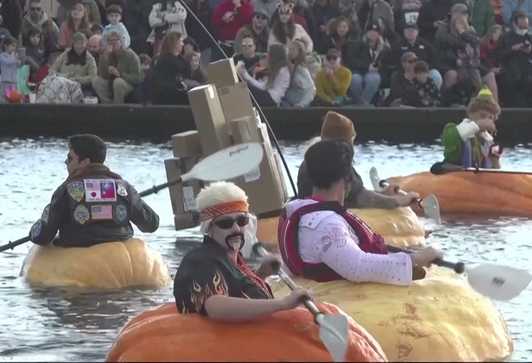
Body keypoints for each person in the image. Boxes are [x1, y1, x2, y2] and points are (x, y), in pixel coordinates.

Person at [279, 138, 443, 284]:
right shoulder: (326, 225)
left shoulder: (295, 210)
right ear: (347, 178)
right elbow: (357, 266)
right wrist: (416, 258)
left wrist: (412, 254)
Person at [174, 181, 310, 318]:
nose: (236, 229)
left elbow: (234, 289)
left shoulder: (227, 257)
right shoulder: (201, 261)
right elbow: (216, 306)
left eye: (241, 221)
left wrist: (260, 274)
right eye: (225, 223)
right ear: (209, 228)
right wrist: (283, 304)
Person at [29, 134, 159, 248]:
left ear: (85, 162)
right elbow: (151, 223)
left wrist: (34, 231)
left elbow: (43, 236)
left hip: (78, 257)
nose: (66, 163)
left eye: (70, 159)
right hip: (119, 255)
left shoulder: (66, 189)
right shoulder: (124, 188)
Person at [297, 111, 419, 209]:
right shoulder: (337, 164)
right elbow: (360, 197)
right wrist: (398, 202)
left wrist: (383, 193)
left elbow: (352, 194)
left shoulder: (310, 160)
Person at [433, 86, 501, 172]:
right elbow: (448, 140)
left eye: (490, 118)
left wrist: (494, 161)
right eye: (482, 116)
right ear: (471, 114)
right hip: (452, 178)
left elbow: (494, 172)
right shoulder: (453, 128)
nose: (487, 120)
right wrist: (477, 125)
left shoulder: (487, 141)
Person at [92, 31, 142, 104]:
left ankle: (118, 107)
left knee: (118, 82)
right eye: (109, 40)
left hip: (128, 85)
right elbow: (102, 75)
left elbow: (137, 78)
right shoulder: (107, 54)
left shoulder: (131, 56)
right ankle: (108, 104)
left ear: (121, 42)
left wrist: (120, 74)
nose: (112, 43)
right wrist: (104, 57)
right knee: (96, 80)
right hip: (111, 83)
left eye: (115, 40)